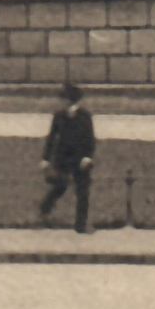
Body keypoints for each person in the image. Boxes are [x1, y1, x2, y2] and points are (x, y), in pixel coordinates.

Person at [39, 83, 97, 234]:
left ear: (71, 100)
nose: (61, 101)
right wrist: (46, 159)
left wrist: (87, 157)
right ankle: (44, 210)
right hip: (62, 158)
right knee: (60, 186)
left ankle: (81, 225)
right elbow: (52, 138)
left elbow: (90, 138)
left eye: (64, 98)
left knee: (82, 191)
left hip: (80, 159)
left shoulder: (84, 116)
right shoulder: (59, 116)